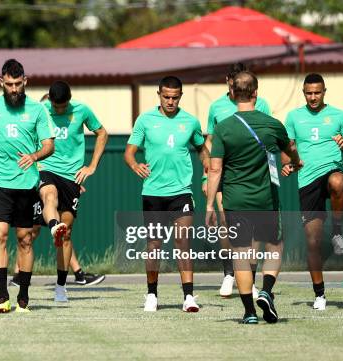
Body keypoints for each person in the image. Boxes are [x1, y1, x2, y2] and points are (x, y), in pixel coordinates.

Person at [206, 71, 302, 324]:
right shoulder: (272, 124)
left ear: (234, 93)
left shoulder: (223, 128)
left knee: (240, 254)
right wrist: (296, 161)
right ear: (256, 94)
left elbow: (215, 169)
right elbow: (290, 149)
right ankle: (267, 291)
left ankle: (249, 312)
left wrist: (208, 206)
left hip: (235, 201)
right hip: (266, 200)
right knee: (274, 247)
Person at [0, 59, 55, 313]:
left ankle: (24, 296)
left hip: (27, 185)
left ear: (25, 82)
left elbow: (49, 144)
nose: (14, 89)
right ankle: (2, 295)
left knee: (25, 239)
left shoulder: (38, 110)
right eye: (9, 84)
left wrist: (35, 156)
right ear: (1, 83)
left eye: (18, 84)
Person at [10, 81, 107, 301]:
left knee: (67, 234)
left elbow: (102, 134)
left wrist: (91, 166)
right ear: (51, 100)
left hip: (72, 177)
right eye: (57, 106)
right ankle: (53, 226)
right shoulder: (41, 110)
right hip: (46, 168)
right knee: (48, 195)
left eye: (64, 106)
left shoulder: (82, 110)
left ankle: (61, 286)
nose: (60, 110)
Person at [124, 76, 208, 313]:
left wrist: (206, 173)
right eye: (166, 97)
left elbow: (203, 149)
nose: (170, 101)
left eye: (175, 97)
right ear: (159, 94)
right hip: (153, 192)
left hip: (181, 192)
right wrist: (135, 165)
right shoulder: (145, 120)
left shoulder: (190, 122)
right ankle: (152, 294)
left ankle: (189, 296)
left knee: (183, 241)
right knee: (154, 244)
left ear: (180, 96)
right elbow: (129, 152)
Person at [282, 73, 343, 311]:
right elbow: (288, 149)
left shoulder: (339, 115)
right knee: (313, 242)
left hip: (330, 171)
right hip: (307, 181)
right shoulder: (294, 117)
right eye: (309, 93)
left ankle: (337, 231)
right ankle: (319, 294)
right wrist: (288, 164)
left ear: (324, 91)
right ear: (304, 93)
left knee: (338, 181)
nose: (313, 97)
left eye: (317, 92)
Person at [204, 63, 273, 298]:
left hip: (253, 176)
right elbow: (210, 142)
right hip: (224, 173)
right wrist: (208, 176)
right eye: (234, 82)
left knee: (252, 230)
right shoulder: (216, 107)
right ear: (228, 82)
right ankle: (228, 274)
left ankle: (250, 279)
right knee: (225, 221)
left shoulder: (261, 104)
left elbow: (269, 139)